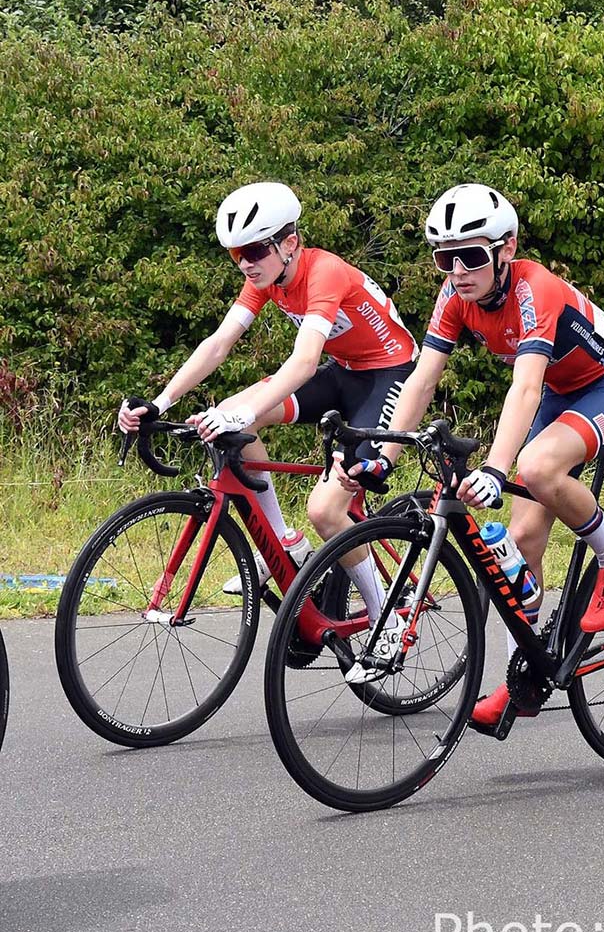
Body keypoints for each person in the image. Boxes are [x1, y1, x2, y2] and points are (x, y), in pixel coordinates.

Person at [342, 184, 604, 726]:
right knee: (522, 538)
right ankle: (521, 677)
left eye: (471, 256)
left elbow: (524, 389)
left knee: (534, 468)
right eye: (445, 257)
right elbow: (422, 380)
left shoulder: (535, 289)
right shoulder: (454, 296)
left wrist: (494, 469)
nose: (458, 270)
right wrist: (385, 455)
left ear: (505, 249)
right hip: (561, 393)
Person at [117, 181, 416, 640]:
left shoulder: (324, 273)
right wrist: (160, 402)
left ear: (289, 242)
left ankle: (387, 618)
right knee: (237, 414)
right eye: (236, 254)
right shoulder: (265, 278)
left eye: (254, 249)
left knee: (325, 510)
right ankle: (284, 542)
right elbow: (218, 344)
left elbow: (303, 361)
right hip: (345, 369)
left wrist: (240, 413)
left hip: (391, 373)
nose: (246, 262)